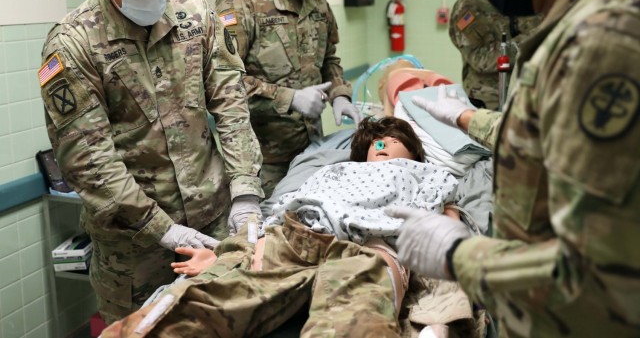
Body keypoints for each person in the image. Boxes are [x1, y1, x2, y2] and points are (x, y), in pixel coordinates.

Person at [388, 0, 640, 336]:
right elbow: (549, 136)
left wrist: (457, 256)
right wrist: (466, 117)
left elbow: (603, 278)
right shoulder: (593, 16)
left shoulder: (603, 39)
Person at [38, 0, 263, 323]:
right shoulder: (74, 43)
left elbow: (231, 103)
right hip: (133, 244)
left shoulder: (194, 14)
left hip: (211, 217)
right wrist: (161, 228)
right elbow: (89, 161)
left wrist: (245, 191)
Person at [99, 117, 464, 338]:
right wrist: (230, 253)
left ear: (414, 152)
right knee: (202, 306)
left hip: (370, 251)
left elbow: (450, 234)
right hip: (296, 237)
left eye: (393, 141)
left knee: (354, 319)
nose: (382, 147)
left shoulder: (428, 174)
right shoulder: (333, 170)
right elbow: (281, 213)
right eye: (375, 143)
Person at [215, 0, 361, 198]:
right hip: (263, 162)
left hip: (312, 148)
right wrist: (290, 98)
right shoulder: (240, 3)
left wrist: (340, 94)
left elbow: (328, 58)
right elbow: (224, 80)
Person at [449, 0, 542, 110]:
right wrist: (532, 42)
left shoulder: (536, 0)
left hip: (529, 97)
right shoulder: (471, 4)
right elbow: (481, 59)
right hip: (488, 104)